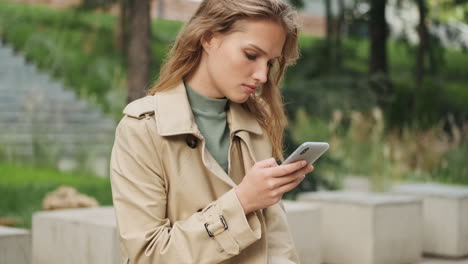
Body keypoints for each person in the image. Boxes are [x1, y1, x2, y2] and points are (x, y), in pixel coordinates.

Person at [110, 0, 314, 263]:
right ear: (208, 38)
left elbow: (276, 239)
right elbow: (146, 255)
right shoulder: (142, 129)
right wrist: (240, 202)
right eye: (251, 55)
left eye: (270, 63)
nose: (263, 75)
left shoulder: (257, 120)